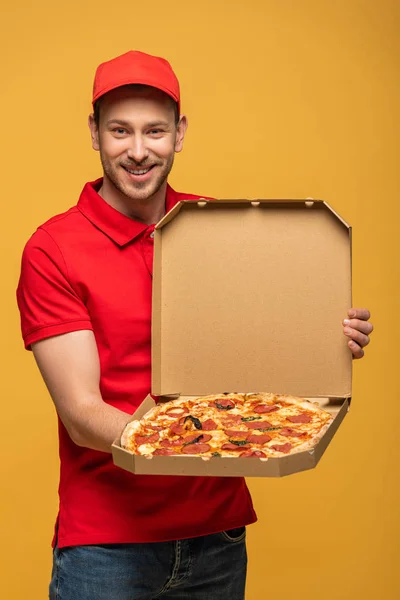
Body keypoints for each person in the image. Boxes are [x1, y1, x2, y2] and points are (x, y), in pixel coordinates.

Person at [16, 50, 374, 600]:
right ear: (94, 133)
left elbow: (259, 350)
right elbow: (82, 414)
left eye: (155, 130)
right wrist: (189, 438)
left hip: (218, 536)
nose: (138, 151)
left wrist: (323, 339)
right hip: (107, 547)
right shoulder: (53, 249)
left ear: (179, 133)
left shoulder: (213, 224)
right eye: (120, 131)